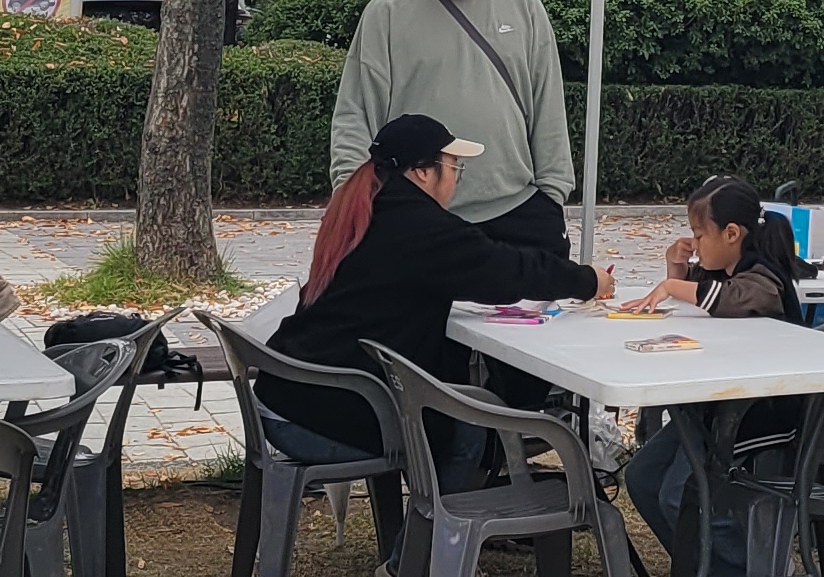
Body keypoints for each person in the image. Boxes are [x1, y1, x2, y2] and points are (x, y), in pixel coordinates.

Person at [262, 113, 612, 469]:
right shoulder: (418, 226)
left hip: (289, 394)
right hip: (316, 415)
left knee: (452, 409)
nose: (456, 180)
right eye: (454, 167)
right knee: (468, 426)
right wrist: (587, 280)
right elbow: (505, 271)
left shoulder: (369, 207)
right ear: (423, 172)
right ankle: (442, 508)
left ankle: (434, 503)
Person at [328, 0, 577, 259]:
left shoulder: (522, 2)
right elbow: (356, 114)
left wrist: (553, 192)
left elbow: (548, 101)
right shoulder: (388, 12)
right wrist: (351, 201)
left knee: (545, 295)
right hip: (420, 213)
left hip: (519, 205)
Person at [619, 174, 807, 577]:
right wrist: (677, 269)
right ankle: (707, 572)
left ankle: (756, 569)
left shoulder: (763, 276)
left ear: (732, 234)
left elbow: (732, 299)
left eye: (700, 234)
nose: (695, 243)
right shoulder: (726, 269)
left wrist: (672, 284)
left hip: (758, 414)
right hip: (714, 407)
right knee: (642, 476)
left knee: (677, 493)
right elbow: (706, 297)